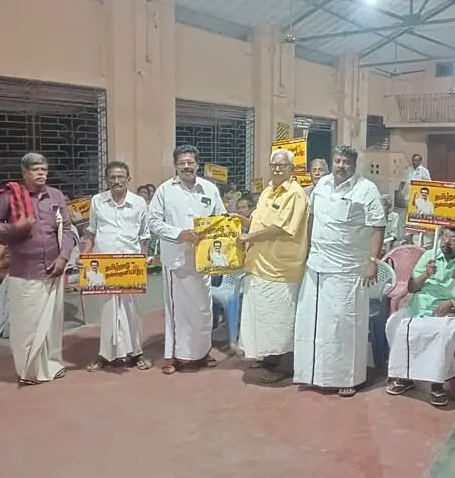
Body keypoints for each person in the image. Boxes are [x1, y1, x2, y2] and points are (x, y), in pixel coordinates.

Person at [294, 146, 386, 397]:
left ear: (354, 165)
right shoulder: (321, 185)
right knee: (313, 322)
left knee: (344, 324)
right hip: (316, 266)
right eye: (337, 161)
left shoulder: (366, 189)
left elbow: (378, 227)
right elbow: (312, 218)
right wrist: (306, 251)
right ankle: (313, 374)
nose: (341, 166)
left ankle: (348, 378)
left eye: (346, 162)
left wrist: (372, 262)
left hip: (347, 269)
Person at [0, 152, 75, 386]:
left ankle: (51, 364)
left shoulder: (55, 195)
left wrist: (64, 257)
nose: (41, 174)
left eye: (44, 169)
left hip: (54, 269)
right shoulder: (9, 197)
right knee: (26, 325)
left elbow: (67, 228)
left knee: (52, 323)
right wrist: (15, 229)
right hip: (25, 271)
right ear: (24, 173)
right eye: (35, 170)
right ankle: (28, 371)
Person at [148, 145, 226, 375]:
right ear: (175, 166)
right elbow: (153, 222)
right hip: (177, 260)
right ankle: (173, 356)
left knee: (203, 309)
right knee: (178, 311)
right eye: (182, 163)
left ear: (197, 165)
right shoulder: (165, 190)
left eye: (190, 162)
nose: (186, 166)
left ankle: (202, 351)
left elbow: (221, 218)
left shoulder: (209, 189)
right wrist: (179, 234)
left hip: (204, 259)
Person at [386, 227, 455, 406]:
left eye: (452, 239)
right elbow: (412, 288)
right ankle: (405, 377)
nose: (445, 242)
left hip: (445, 312)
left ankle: (437, 384)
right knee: (396, 326)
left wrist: (453, 303)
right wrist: (425, 274)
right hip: (418, 308)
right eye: (444, 237)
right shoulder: (429, 256)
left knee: (442, 336)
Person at [238, 149, 309, 383]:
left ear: (292, 168)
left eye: (282, 165)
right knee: (263, 319)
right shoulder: (267, 191)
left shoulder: (295, 194)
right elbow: (260, 222)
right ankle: (270, 357)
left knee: (282, 320)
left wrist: (248, 237)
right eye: (274, 165)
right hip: (259, 265)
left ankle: (286, 366)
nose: (277, 169)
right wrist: (242, 222)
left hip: (281, 269)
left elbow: (281, 228)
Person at [80, 161, 151, 373]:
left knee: (132, 310)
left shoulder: (139, 203)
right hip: (104, 264)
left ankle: (136, 351)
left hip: (131, 264)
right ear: (106, 179)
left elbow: (144, 236)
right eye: (112, 177)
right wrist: (85, 256)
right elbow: (91, 231)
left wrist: (143, 261)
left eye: (121, 177)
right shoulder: (97, 201)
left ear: (128, 179)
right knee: (107, 311)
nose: (117, 181)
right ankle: (105, 354)